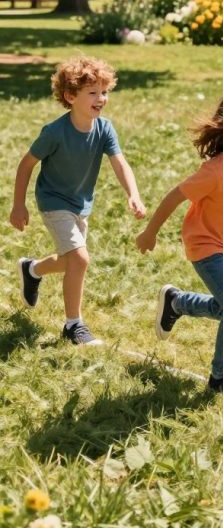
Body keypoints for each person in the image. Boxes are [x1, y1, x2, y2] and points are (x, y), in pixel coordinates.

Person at [136, 83, 223, 400]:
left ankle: (176, 302)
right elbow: (175, 196)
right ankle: (222, 379)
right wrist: (151, 232)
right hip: (204, 244)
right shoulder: (215, 171)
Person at [10, 56, 146, 345]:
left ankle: (32, 269)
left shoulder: (104, 129)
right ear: (71, 96)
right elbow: (26, 165)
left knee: (70, 261)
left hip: (80, 203)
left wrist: (132, 193)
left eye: (104, 92)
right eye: (93, 93)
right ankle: (74, 325)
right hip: (53, 200)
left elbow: (120, 163)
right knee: (80, 259)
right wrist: (18, 204)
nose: (101, 98)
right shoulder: (55, 132)